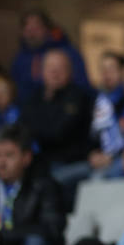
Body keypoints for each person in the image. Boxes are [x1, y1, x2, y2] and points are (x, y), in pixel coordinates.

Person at [19, 49, 94, 194]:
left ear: (70, 72)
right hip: (42, 165)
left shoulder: (77, 97)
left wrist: (34, 127)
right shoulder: (34, 98)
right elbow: (21, 130)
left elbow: (57, 132)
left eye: (60, 68)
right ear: (42, 71)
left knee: (41, 187)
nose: (55, 72)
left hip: (72, 164)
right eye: (50, 68)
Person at [10, 10, 90, 103]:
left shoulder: (67, 53)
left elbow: (82, 86)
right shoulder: (20, 59)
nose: (31, 34)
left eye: (35, 28)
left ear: (46, 29)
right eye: (28, 30)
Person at [88, 52, 124, 179]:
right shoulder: (96, 101)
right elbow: (91, 136)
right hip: (102, 159)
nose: (106, 74)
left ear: (122, 72)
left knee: (97, 180)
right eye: (103, 70)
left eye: (111, 69)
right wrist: (94, 154)